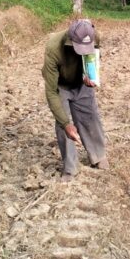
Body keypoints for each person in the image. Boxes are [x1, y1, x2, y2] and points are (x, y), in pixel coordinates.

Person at [42, 19, 108, 182]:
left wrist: (91, 77)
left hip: (81, 82)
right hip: (61, 85)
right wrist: (66, 123)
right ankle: (70, 168)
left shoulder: (95, 36)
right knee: (64, 126)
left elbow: (95, 58)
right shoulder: (53, 48)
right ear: (70, 41)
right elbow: (51, 91)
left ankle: (98, 155)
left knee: (90, 116)